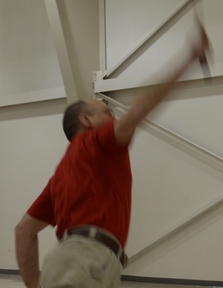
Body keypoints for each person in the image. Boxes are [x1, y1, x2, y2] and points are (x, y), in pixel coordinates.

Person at [14, 21, 210, 288]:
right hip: (86, 262)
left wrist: (34, 283)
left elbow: (24, 230)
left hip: (78, 264)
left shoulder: (60, 177)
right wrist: (189, 57)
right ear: (87, 120)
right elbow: (138, 110)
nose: (114, 117)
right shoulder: (96, 143)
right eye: (107, 111)